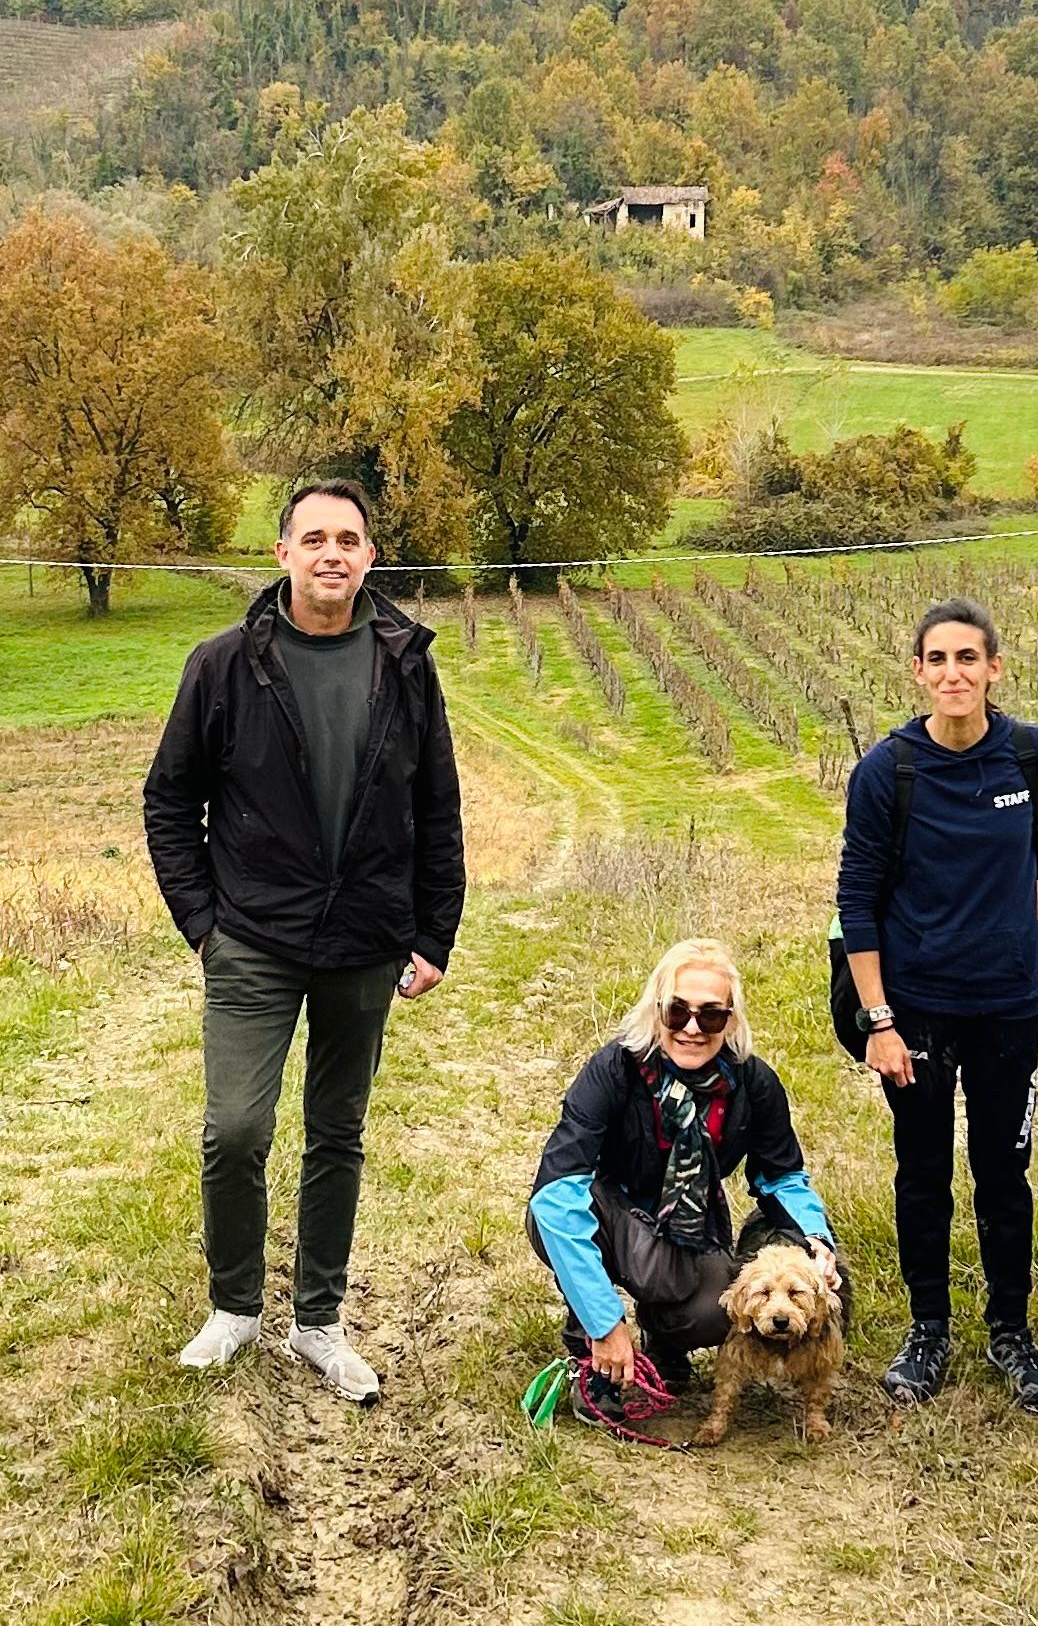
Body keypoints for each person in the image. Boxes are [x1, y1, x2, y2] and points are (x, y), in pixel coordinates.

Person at [143, 478, 465, 1404]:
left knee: (339, 1132)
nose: (333, 553)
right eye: (314, 537)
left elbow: (436, 806)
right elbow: (170, 801)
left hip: (367, 939)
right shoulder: (224, 664)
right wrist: (203, 924)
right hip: (251, 937)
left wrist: (434, 930)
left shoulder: (404, 662)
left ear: (370, 557)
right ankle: (234, 1306)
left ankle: (318, 1322)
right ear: (281, 553)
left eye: (350, 539)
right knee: (237, 1128)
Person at [836, 595, 1038, 1412]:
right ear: (918, 673)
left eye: (968, 659)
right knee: (921, 1171)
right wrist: (878, 1022)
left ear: (993, 669)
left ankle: (1012, 1332)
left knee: (1004, 1172)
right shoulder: (889, 770)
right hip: (915, 1009)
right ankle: (927, 1329)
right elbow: (857, 902)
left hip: (1008, 1008)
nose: (953, 673)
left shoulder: (1027, 755)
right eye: (937, 660)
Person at [526, 937, 839, 1440]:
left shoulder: (752, 1083)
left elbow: (781, 1176)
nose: (692, 1028)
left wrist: (816, 1242)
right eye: (678, 1012)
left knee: (724, 1311)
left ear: (730, 1021)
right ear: (657, 1011)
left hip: (689, 1230)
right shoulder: (613, 1071)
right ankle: (592, 1353)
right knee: (561, 1215)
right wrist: (605, 1322)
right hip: (612, 1215)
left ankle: (661, 1338)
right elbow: (557, 1196)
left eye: (711, 1016)